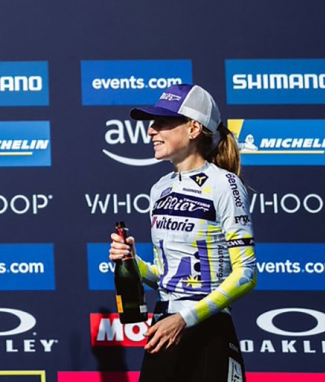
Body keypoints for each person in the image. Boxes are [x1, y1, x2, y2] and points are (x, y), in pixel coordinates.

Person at [109, 83, 256, 382]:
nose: (151, 131)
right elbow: (164, 278)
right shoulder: (159, 188)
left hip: (207, 329)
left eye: (162, 122)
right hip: (164, 328)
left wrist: (184, 320)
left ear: (193, 129)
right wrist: (130, 261)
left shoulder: (225, 185)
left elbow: (246, 274)